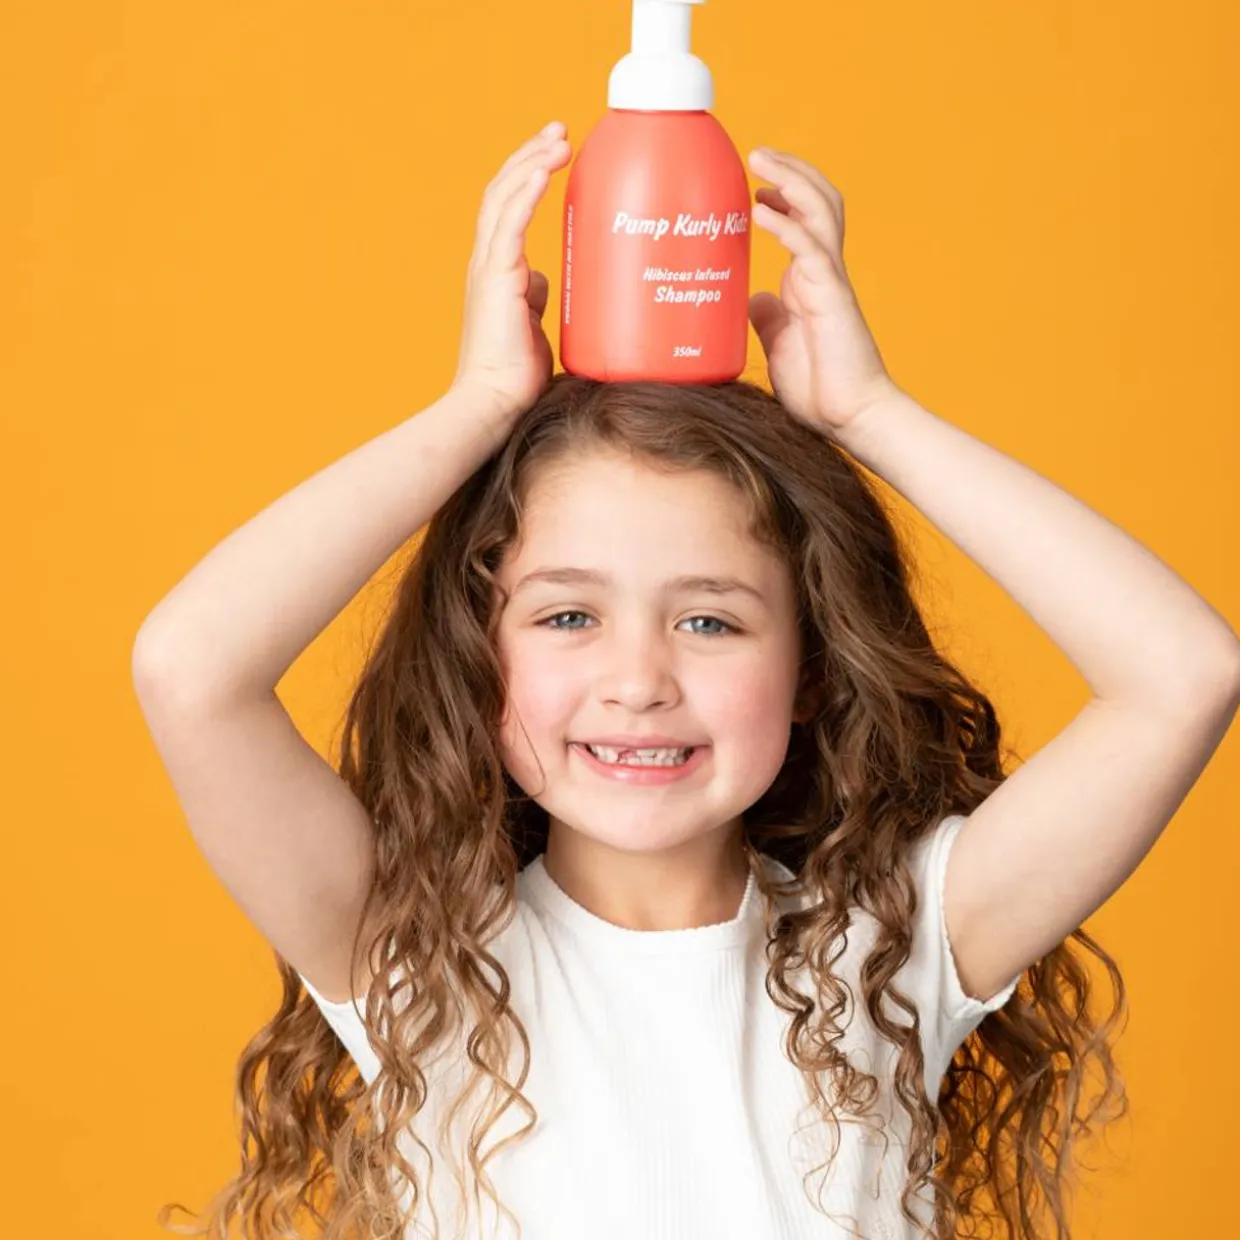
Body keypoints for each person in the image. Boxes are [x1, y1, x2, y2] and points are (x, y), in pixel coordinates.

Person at [132, 120, 1240, 1240]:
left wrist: (872, 415)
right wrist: (476, 408)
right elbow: (191, 669)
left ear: (811, 669)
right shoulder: (418, 963)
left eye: (709, 620)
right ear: (482, 653)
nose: (638, 681)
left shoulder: (889, 954)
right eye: (569, 615)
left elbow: (1182, 675)